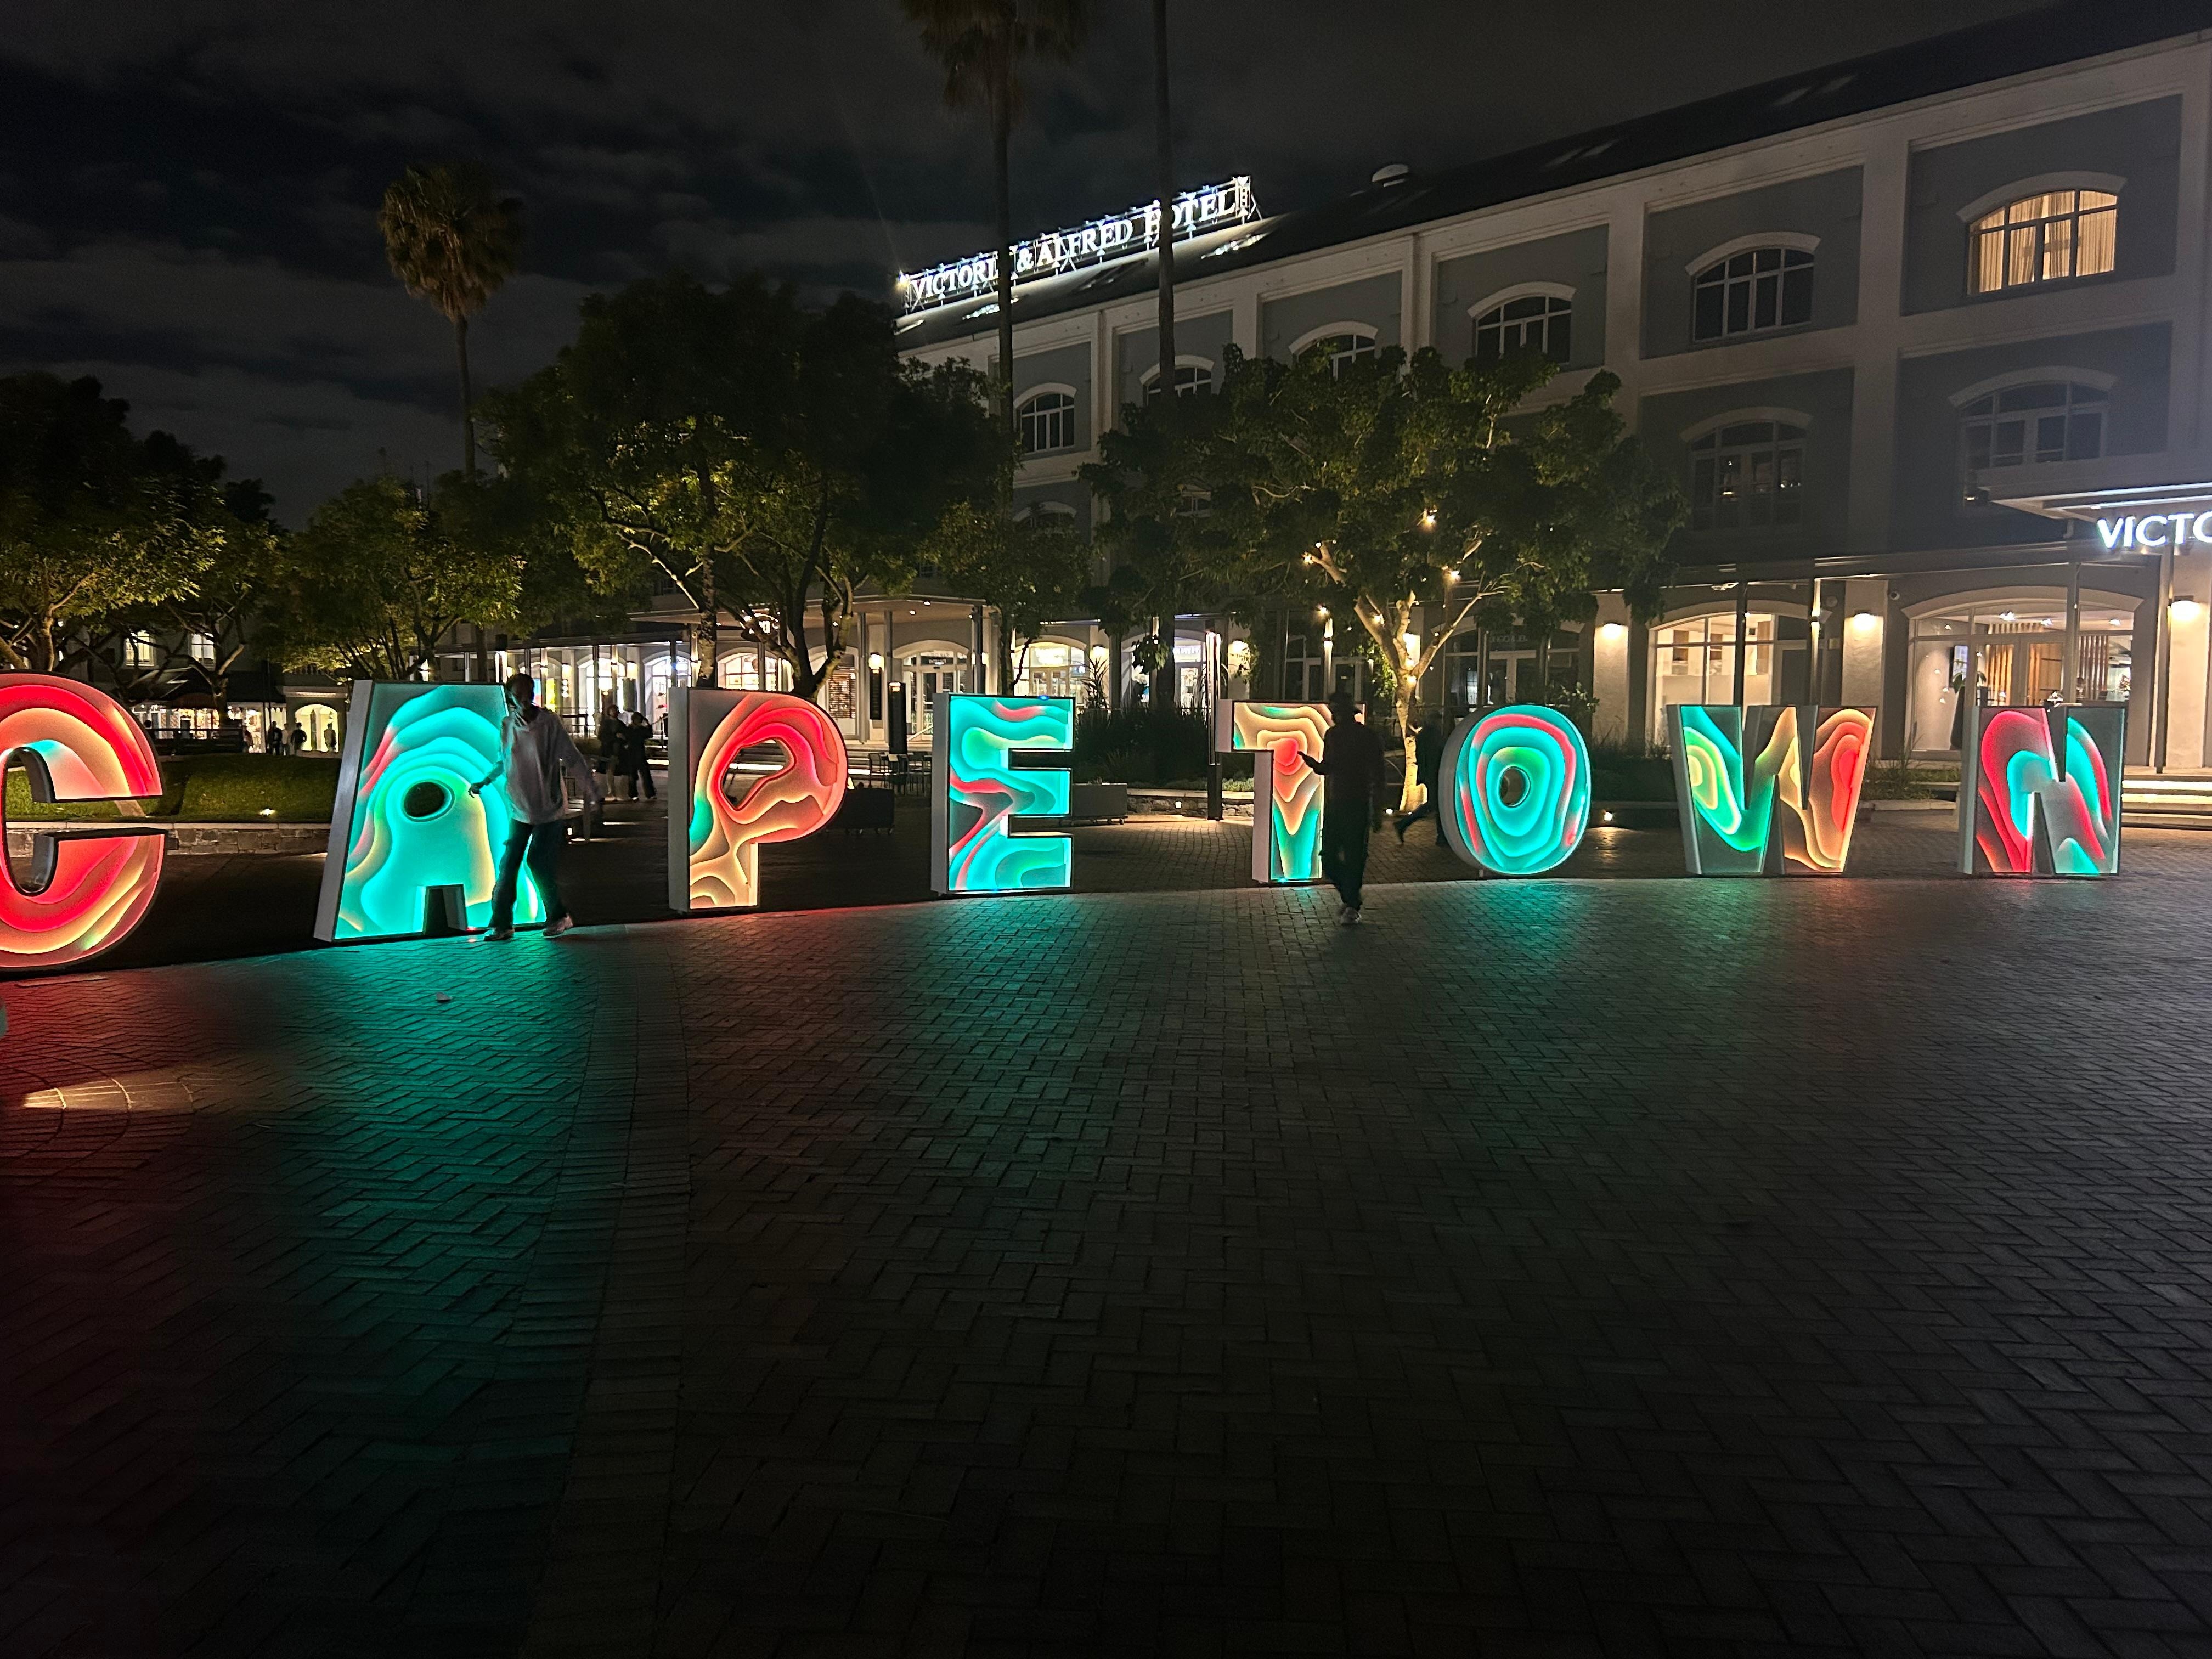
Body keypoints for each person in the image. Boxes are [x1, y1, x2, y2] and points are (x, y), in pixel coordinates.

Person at [470, 673, 602, 941]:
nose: (524, 699)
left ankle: (559, 916)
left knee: (538, 863)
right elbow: (503, 760)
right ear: (510, 697)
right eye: (517, 695)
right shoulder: (508, 725)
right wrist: (485, 781)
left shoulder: (549, 723)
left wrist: (593, 792)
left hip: (549, 809)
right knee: (509, 865)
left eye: (527, 693)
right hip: (520, 807)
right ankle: (502, 924)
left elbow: (572, 757)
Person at [1300, 690, 1388, 924]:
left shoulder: (1361, 736)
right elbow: (1330, 767)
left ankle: (1351, 902)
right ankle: (1351, 898)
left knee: (1349, 856)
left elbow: (1377, 774)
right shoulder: (1337, 735)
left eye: (1335, 711)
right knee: (1338, 856)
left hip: (1353, 803)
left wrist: (1377, 808)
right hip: (1344, 803)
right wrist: (1315, 765)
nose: (1333, 715)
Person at [1395, 708, 1452, 847]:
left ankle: (1405, 824)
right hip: (1434, 774)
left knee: (1436, 805)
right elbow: (1438, 752)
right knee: (1436, 805)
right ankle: (1404, 824)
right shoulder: (1432, 735)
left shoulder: (1426, 734)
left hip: (1431, 774)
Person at [622, 712, 657, 800]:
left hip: (638, 754)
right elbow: (648, 734)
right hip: (634, 754)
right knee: (635, 775)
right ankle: (636, 794)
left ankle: (642, 794)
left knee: (642, 775)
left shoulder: (635, 729)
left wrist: (648, 725)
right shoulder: (631, 729)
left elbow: (649, 735)